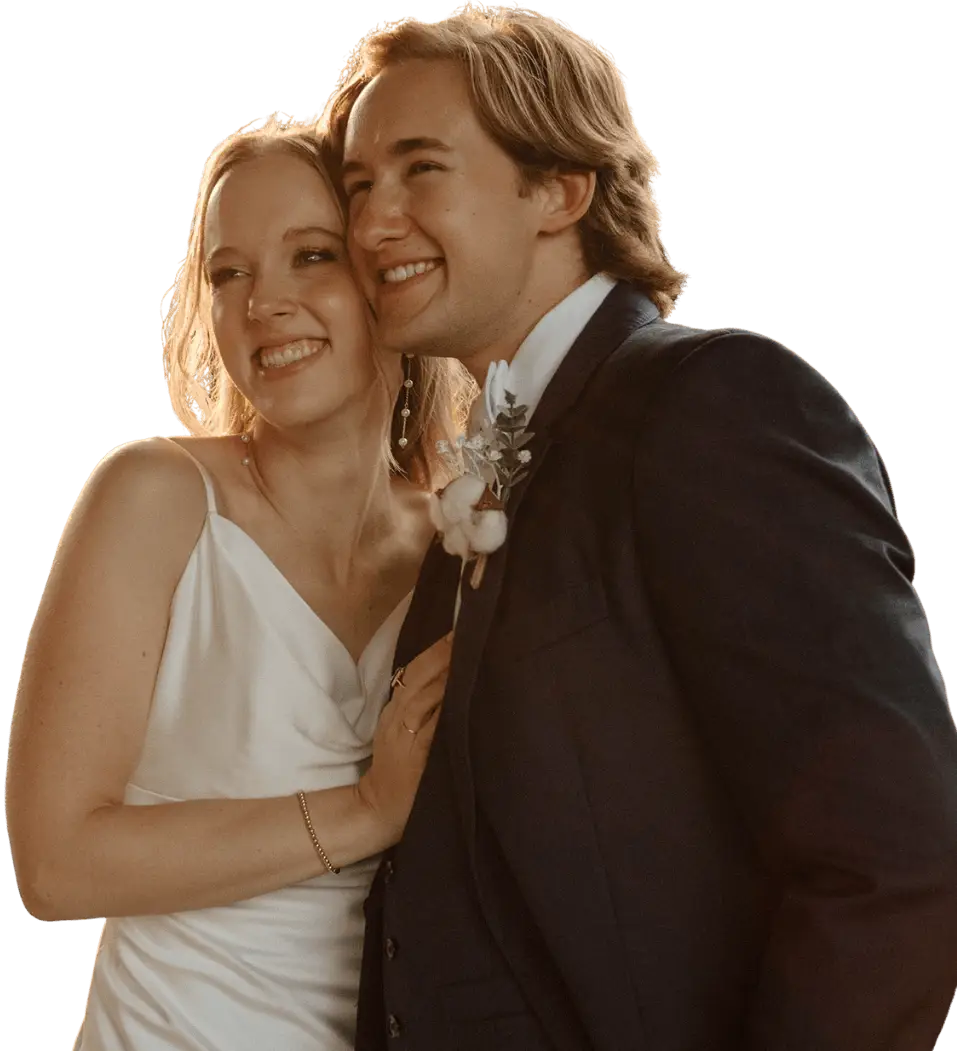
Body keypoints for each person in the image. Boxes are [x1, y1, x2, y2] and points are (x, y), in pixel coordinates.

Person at [319, 4, 957, 1049]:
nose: (371, 223)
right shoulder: (469, 484)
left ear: (561, 190)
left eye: (420, 169)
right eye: (356, 187)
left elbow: (891, 848)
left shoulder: (712, 403)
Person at [5, 116, 471, 1050]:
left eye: (311, 255)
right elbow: (54, 866)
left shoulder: (459, 545)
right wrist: (365, 810)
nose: (264, 303)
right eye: (228, 273)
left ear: (385, 275)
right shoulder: (156, 498)